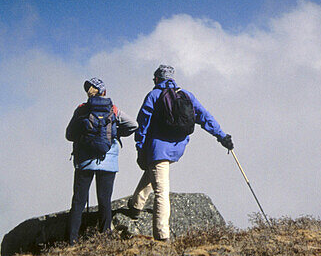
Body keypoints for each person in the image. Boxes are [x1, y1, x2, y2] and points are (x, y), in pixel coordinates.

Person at [128, 64, 233, 240]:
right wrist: (222, 136)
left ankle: (162, 236)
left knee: (161, 191)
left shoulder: (154, 95)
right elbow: (205, 117)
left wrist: (140, 148)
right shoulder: (186, 95)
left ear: (156, 79)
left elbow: (142, 124)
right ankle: (136, 205)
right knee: (154, 173)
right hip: (176, 149)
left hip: (157, 150)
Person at [64, 77, 137, 245]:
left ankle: (72, 240)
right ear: (104, 91)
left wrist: (83, 139)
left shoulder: (82, 110)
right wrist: (115, 134)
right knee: (105, 200)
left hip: (84, 162)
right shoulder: (113, 109)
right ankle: (105, 236)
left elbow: (69, 135)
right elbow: (133, 125)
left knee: (78, 201)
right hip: (108, 161)